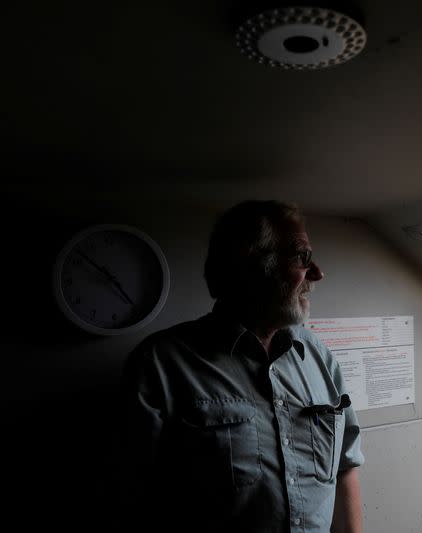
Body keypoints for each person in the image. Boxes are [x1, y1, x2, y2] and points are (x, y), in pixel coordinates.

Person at [120, 200, 364, 533]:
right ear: (252, 265)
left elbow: (345, 465)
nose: (317, 273)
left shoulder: (319, 356)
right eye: (302, 257)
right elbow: (134, 497)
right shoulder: (161, 364)